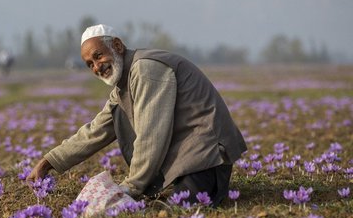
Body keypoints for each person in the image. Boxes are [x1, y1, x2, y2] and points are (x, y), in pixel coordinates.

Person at [27, 24, 247, 207]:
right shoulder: (122, 88)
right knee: (116, 116)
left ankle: (157, 184)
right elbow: (95, 132)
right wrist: (48, 162)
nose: (97, 67)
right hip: (187, 156)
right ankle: (157, 182)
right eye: (89, 64)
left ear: (117, 46)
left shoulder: (146, 70)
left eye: (98, 56)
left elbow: (152, 134)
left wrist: (131, 187)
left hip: (207, 155)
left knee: (183, 208)